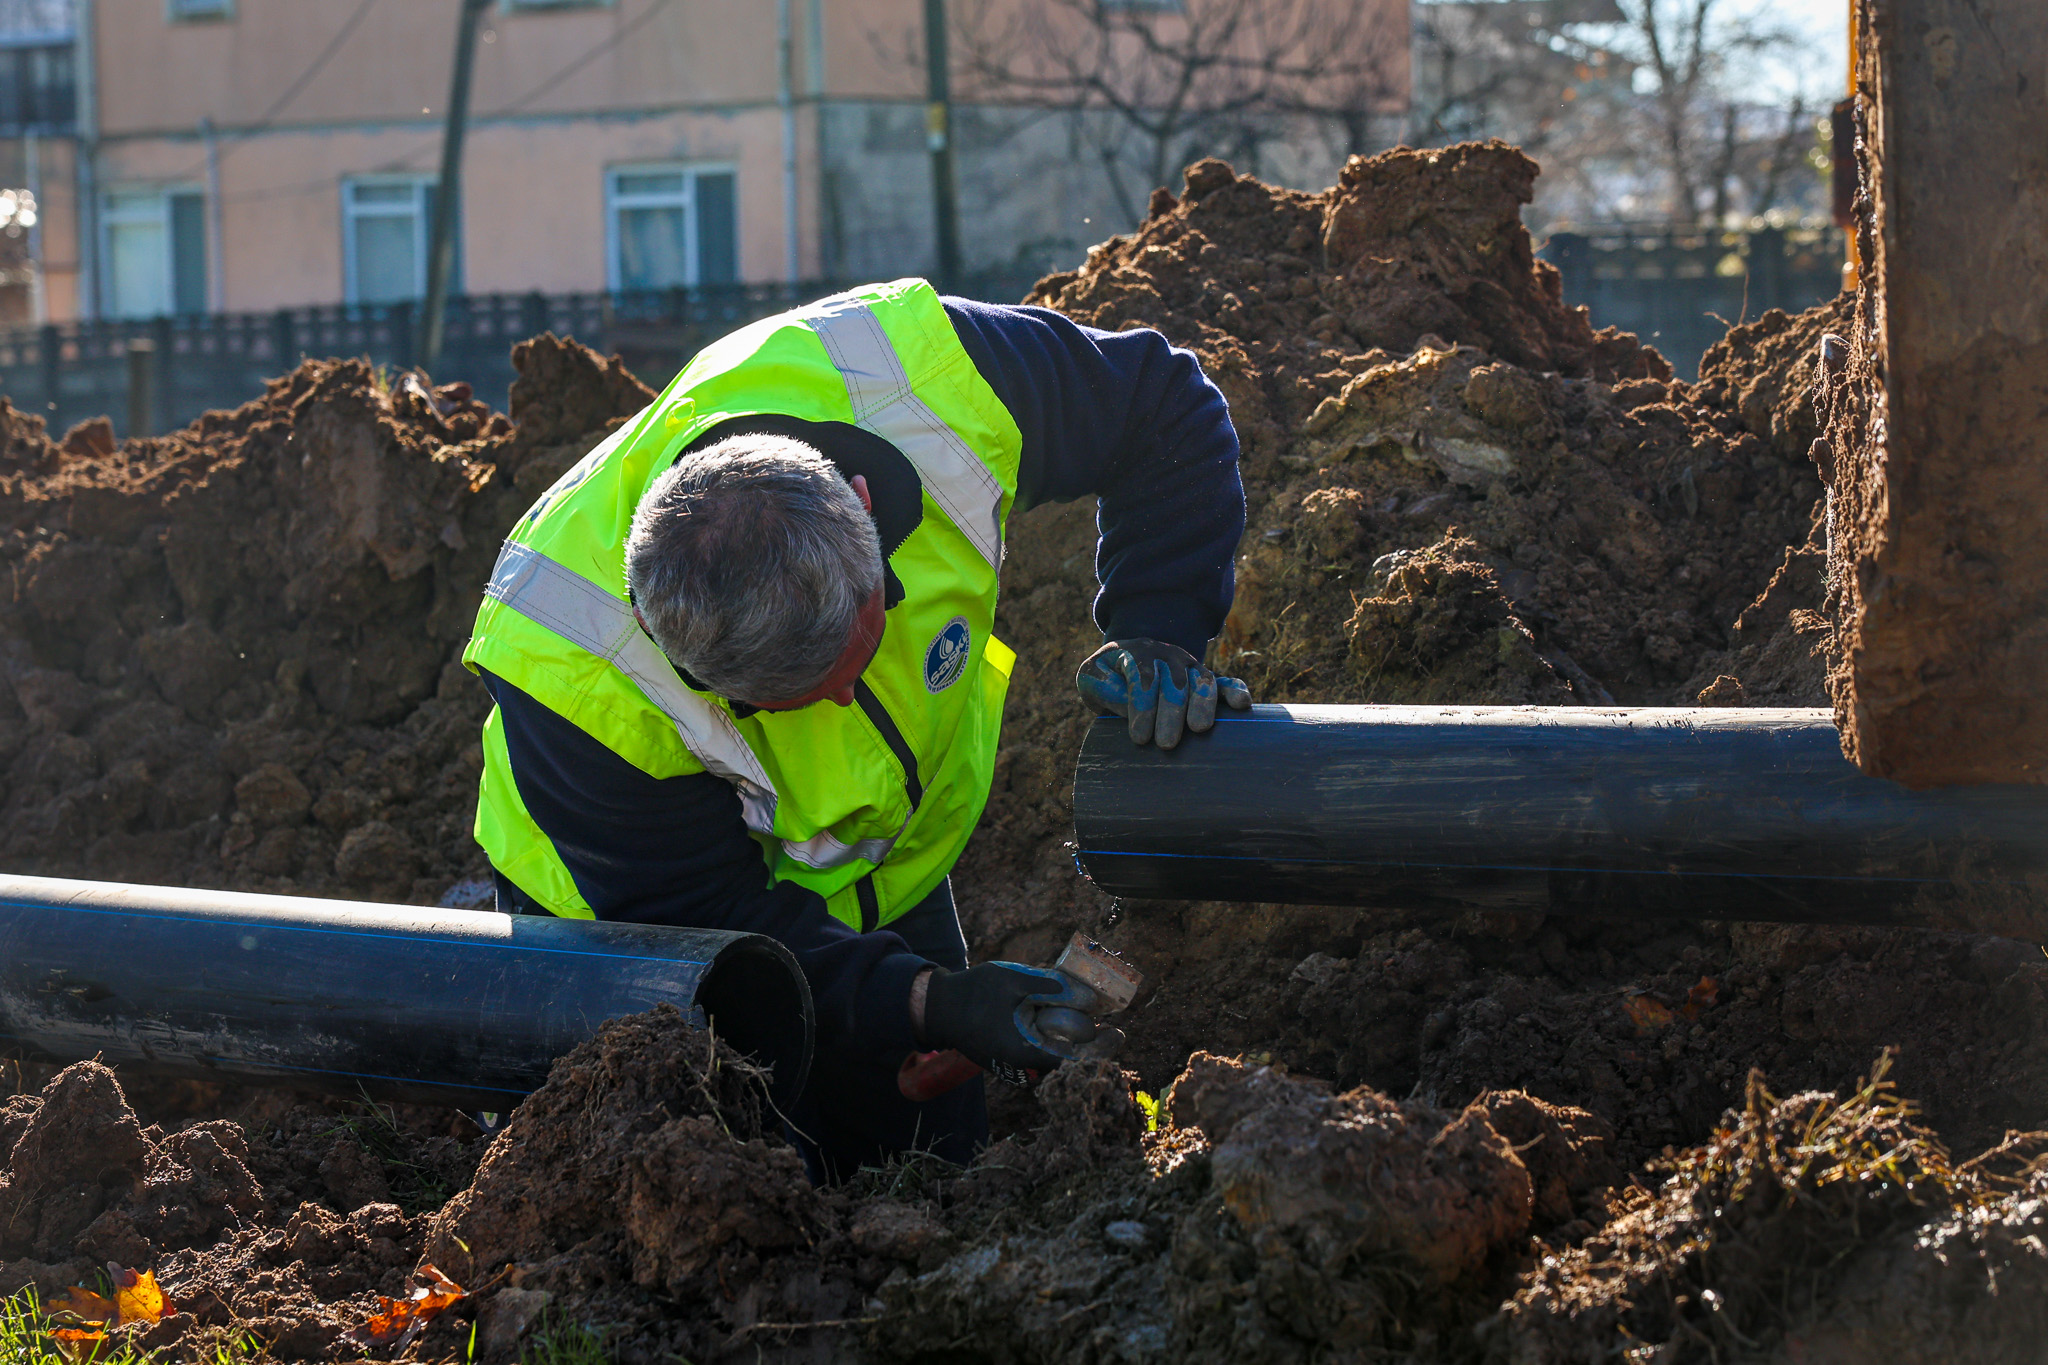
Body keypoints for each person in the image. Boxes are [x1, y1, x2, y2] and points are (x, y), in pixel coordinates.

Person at [463, 278, 1248, 1181]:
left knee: (934, 1169)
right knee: (731, 1190)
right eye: (786, 702)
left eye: (857, 658)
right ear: (676, 648)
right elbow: (723, 926)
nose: (841, 707)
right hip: (629, 931)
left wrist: (1161, 630)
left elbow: (1163, 406)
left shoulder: (929, 380)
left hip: (883, 867)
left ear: (865, 508)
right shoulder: (574, 675)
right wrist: (923, 999)